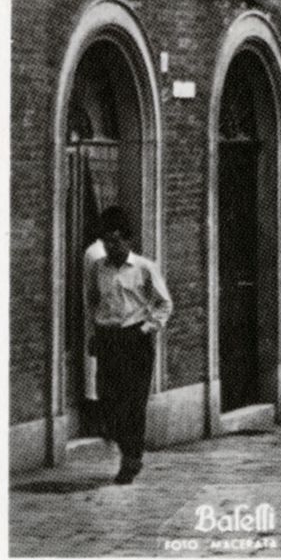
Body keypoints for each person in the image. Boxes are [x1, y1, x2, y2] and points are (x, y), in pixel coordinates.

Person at [84, 207, 171, 484]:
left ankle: (131, 458)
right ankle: (127, 448)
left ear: (129, 241)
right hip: (109, 339)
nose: (111, 246)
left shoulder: (144, 268)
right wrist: (94, 333)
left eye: (117, 240)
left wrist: (147, 328)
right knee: (108, 400)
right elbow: (92, 301)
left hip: (135, 340)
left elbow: (164, 303)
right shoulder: (98, 268)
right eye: (107, 241)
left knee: (133, 403)